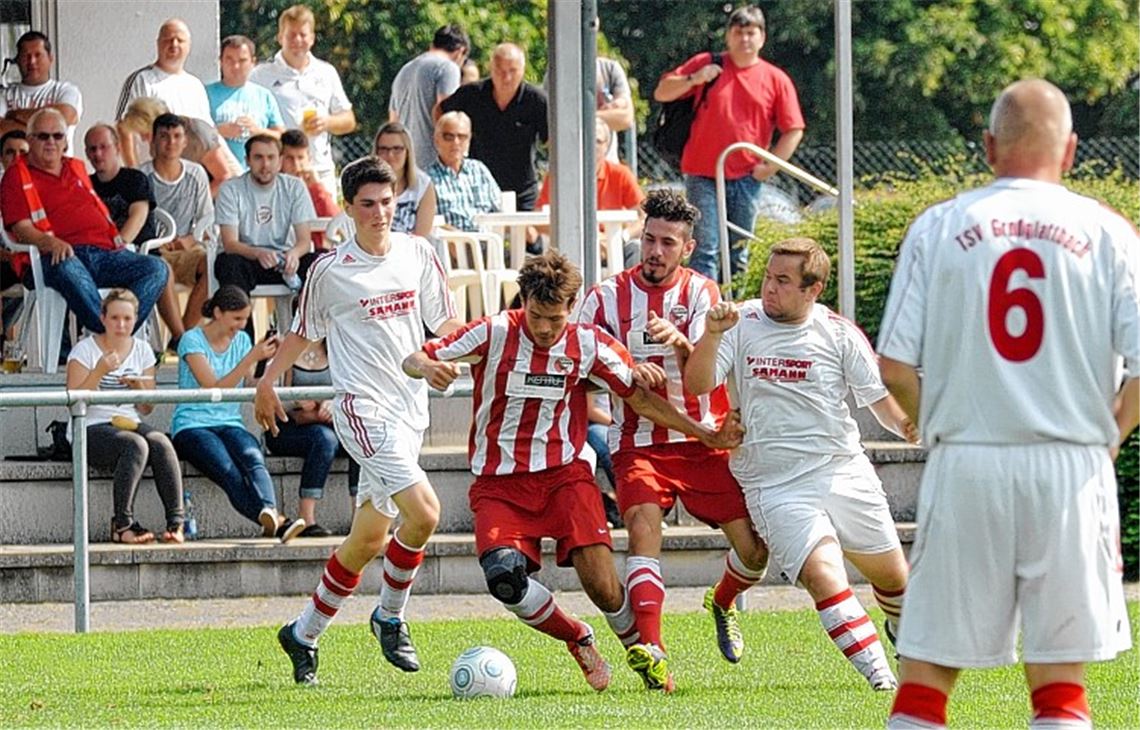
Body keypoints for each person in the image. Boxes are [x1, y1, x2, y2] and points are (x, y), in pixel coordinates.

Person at [877, 79, 1138, 729]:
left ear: (989, 146)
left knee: (926, 680)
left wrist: (935, 421)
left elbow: (894, 365)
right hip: (1071, 468)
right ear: (1071, 150)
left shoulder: (940, 225)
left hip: (967, 461)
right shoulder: (1108, 232)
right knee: (1060, 686)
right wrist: (1106, 437)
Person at [403, 251, 745, 693]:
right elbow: (415, 357)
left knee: (604, 587)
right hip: (498, 483)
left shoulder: (590, 344)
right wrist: (427, 366)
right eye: (538, 316)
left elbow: (639, 398)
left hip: (565, 477)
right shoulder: (494, 331)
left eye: (556, 319)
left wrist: (702, 432)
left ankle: (649, 663)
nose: (545, 329)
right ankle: (577, 637)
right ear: (522, 300)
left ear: (571, 308)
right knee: (504, 580)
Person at [255, 156, 463, 686]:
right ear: (348, 209)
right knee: (426, 513)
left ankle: (302, 633)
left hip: (410, 410)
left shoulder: (419, 253)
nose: (378, 212)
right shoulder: (330, 269)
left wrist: (463, 352)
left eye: (387, 202)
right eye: (367, 204)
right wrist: (267, 382)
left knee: (369, 538)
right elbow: (302, 333)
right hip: (360, 409)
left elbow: (446, 323)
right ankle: (390, 616)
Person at [685, 237, 916, 692]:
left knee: (896, 582)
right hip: (774, 482)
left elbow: (879, 401)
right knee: (822, 574)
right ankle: (883, 682)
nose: (769, 288)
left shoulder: (838, 333)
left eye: (783, 281)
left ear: (814, 289)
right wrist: (711, 336)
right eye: (769, 277)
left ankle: (899, 629)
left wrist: (909, 426)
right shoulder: (739, 323)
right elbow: (697, 383)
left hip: (842, 468)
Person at [576, 190, 768, 690]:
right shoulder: (604, 299)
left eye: (667, 243)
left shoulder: (704, 295)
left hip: (706, 442)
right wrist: (623, 368)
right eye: (649, 239)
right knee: (642, 527)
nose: (655, 251)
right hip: (639, 442)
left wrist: (683, 344)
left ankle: (721, 600)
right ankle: (654, 654)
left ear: (687, 247)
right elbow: (591, 370)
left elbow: (708, 375)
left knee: (756, 552)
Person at [653, 5, 804, 282]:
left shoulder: (775, 79)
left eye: (750, 33)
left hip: (747, 177)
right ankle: (704, 309)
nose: (744, 39)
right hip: (702, 172)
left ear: (762, 37)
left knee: (739, 249)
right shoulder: (708, 64)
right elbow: (662, 92)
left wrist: (769, 167)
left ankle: (737, 308)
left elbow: (793, 129)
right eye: (738, 32)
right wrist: (695, 79)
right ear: (728, 36)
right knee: (705, 247)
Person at [0, 108, 168, 336]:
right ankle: (110, 332)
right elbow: (22, 229)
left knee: (156, 268)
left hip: (105, 253)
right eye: (43, 136)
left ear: (65, 142)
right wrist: (53, 243)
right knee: (68, 267)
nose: (51, 142)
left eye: (57, 136)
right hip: (56, 257)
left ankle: (118, 329)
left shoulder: (76, 168)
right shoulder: (16, 175)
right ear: (30, 140)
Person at [171, 284, 304, 543]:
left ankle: (271, 513)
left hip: (229, 422)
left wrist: (268, 366)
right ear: (218, 313)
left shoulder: (242, 341)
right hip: (192, 424)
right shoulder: (192, 340)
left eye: (245, 318)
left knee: (252, 456)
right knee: (227, 468)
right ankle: (276, 521)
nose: (242, 325)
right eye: (237, 318)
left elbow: (247, 386)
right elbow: (213, 387)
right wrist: (250, 358)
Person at [66, 289, 184, 544]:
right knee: (135, 445)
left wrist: (139, 387)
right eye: (115, 318)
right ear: (103, 318)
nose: (121, 325)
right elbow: (74, 402)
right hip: (90, 425)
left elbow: (146, 407)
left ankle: (177, 523)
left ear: (135, 320)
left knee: (161, 442)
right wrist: (100, 370)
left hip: (129, 421)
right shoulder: (84, 350)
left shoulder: (142, 350)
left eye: (127, 319)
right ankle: (122, 525)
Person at [249, 4, 356, 198]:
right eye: (291, 35)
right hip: (277, 170)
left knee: (324, 224)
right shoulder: (260, 75)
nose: (297, 40)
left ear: (312, 38)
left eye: (303, 35)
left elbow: (349, 120)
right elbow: (250, 120)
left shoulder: (326, 72)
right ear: (280, 37)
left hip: (318, 170)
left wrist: (327, 122)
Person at [263, 336, 359, 537]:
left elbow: (351, 392)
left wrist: (333, 405)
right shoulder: (284, 351)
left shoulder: (338, 348)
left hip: (330, 424)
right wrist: (296, 401)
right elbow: (266, 394)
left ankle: (360, 516)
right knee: (324, 439)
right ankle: (306, 518)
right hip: (287, 429)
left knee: (358, 438)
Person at [213, 134, 316, 312]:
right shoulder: (231, 189)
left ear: (280, 160)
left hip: (284, 260)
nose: (265, 164)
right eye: (258, 157)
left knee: (320, 262)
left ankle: (309, 331)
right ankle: (242, 337)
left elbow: (304, 241)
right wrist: (258, 253)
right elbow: (230, 244)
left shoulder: (295, 187)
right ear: (247, 160)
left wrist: (294, 254)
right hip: (247, 260)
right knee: (228, 264)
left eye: (271, 157)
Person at [439, 43, 548, 211]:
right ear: (491, 68)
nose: (506, 77)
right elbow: (440, 110)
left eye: (512, 71)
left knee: (529, 236)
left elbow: (554, 142)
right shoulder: (471, 94)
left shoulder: (536, 100)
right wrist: (448, 143)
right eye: (500, 71)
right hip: (477, 186)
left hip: (522, 189)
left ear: (523, 70)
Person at [138, 113, 212, 334]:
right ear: (153, 140)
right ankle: (181, 337)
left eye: (177, 136)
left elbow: (207, 218)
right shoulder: (141, 176)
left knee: (212, 264)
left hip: (188, 249)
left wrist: (190, 239)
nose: (171, 142)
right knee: (161, 270)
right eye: (164, 136)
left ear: (185, 141)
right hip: (154, 251)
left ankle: (185, 334)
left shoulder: (196, 173)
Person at [116, 19, 214, 165]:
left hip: (190, 175)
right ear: (158, 43)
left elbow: (206, 133)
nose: (174, 44)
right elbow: (123, 128)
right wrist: (134, 172)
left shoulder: (196, 85)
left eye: (180, 40)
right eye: (168, 39)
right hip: (151, 175)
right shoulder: (140, 80)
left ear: (189, 46)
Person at [117, 97, 240, 195]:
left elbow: (224, 177)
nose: (144, 139)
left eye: (145, 134)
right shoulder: (158, 143)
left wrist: (195, 204)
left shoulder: (198, 134)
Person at [388, 24, 469, 167]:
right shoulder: (448, 68)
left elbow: (393, 122)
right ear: (461, 51)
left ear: (433, 45)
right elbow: (447, 118)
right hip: (433, 165)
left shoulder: (404, 70)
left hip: (406, 164)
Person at [206, 35, 286, 169]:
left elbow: (282, 137)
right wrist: (218, 132)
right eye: (229, 60)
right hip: (219, 175)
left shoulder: (264, 96)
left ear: (252, 63)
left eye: (242, 61)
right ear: (220, 62)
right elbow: (192, 135)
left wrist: (258, 131)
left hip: (258, 175)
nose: (236, 66)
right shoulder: (205, 94)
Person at [0, 32, 83, 152]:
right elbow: (1, 129)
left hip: (57, 170)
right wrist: (48, 129)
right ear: (17, 60)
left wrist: (14, 115)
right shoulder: (3, 95)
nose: (32, 61)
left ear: (50, 58)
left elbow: (66, 115)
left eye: (38, 55)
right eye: (25, 56)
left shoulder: (66, 91)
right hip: (12, 169)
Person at [426, 111, 499, 232]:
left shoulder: (479, 171)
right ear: (436, 139)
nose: (456, 142)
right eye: (448, 136)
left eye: (462, 137)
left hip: (489, 243)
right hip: (451, 246)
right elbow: (429, 222)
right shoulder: (426, 179)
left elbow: (500, 211)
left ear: (469, 140)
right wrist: (461, 241)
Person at [279, 129, 340, 251]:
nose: (296, 165)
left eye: (300, 158)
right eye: (289, 158)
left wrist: (317, 187)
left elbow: (337, 222)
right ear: (280, 159)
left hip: (313, 254)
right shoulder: (272, 187)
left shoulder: (314, 189)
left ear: (309, 159)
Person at [374, 122, 436, 238]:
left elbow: (421, 237)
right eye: (383, 149)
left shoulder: (423, 185)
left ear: (407, 152)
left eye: (397, 149)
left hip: (410, 251)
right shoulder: (365, 184)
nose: (390, 155)